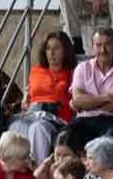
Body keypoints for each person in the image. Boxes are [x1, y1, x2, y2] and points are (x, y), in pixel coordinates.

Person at [12, 34, 78, 169]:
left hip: (56, 117)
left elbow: (75, 98)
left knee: (38, 128)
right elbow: (29, 93)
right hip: (33, 113)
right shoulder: (36, 70)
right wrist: (25, 99)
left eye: (56, 48)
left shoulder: (73, 72)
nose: (51, 53)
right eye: (48, 48)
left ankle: (38, 175)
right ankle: (18, 174)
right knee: (16, 127)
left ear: (65, 51)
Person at [66, 27, 113, 151]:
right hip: (84, 119)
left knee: (111, 140)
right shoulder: (82, 68)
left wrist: (86, 104)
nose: (102, 50)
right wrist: (108, 97)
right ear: (92, 47)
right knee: (69, 133)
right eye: (98, 45)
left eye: (108, 45)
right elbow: (77, 100)